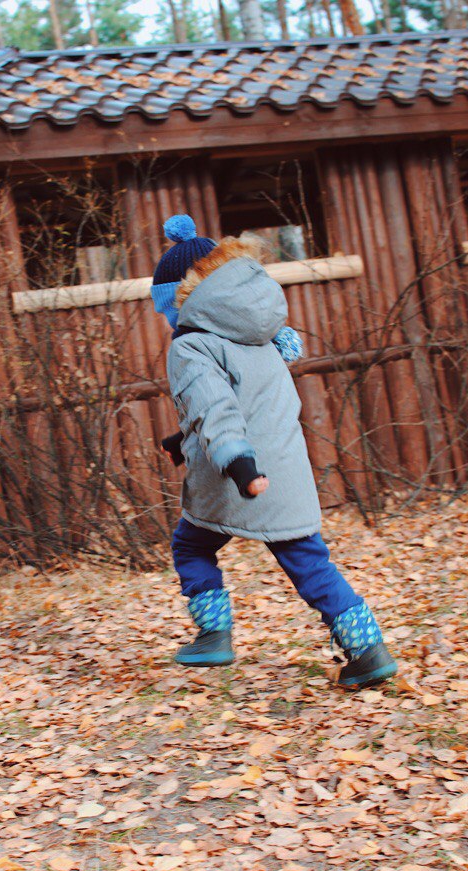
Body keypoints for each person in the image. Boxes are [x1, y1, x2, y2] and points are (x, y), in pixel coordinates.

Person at [150, 214, 397, 690]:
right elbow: (249, 405)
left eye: (166, 310)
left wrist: (238, 464)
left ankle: (213, 635)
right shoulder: (259, 335)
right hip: (285, 470)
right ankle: (368, 650)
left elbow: (216, 409)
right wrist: (184, 441)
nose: (167, 321)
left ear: (181, 299)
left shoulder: (191, 345)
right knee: (309, 562)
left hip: (236, 473)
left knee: (191, 545)